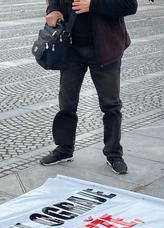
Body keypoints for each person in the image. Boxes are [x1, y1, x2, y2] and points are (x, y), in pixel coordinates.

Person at [39, 0, 138, 175]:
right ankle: (64, 148)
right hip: (70, 46)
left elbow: (130, 5)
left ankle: (114, 154)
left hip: (104, 49)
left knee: (111, 105)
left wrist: (93, 5)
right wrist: (53, 10)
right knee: (67, 103)